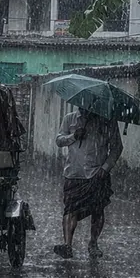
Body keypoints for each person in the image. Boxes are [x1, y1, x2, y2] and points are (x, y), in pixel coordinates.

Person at [53, 107, 123, 259]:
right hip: (74, 173)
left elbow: (117, 147)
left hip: (97, 174)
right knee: (70, 209)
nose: (85, 109)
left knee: (98, 209)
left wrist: (105, 168)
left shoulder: (108, 121)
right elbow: (59, 140)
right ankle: (67, 245)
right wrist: (73, 136)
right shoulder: (70, 119)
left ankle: (93, 243)